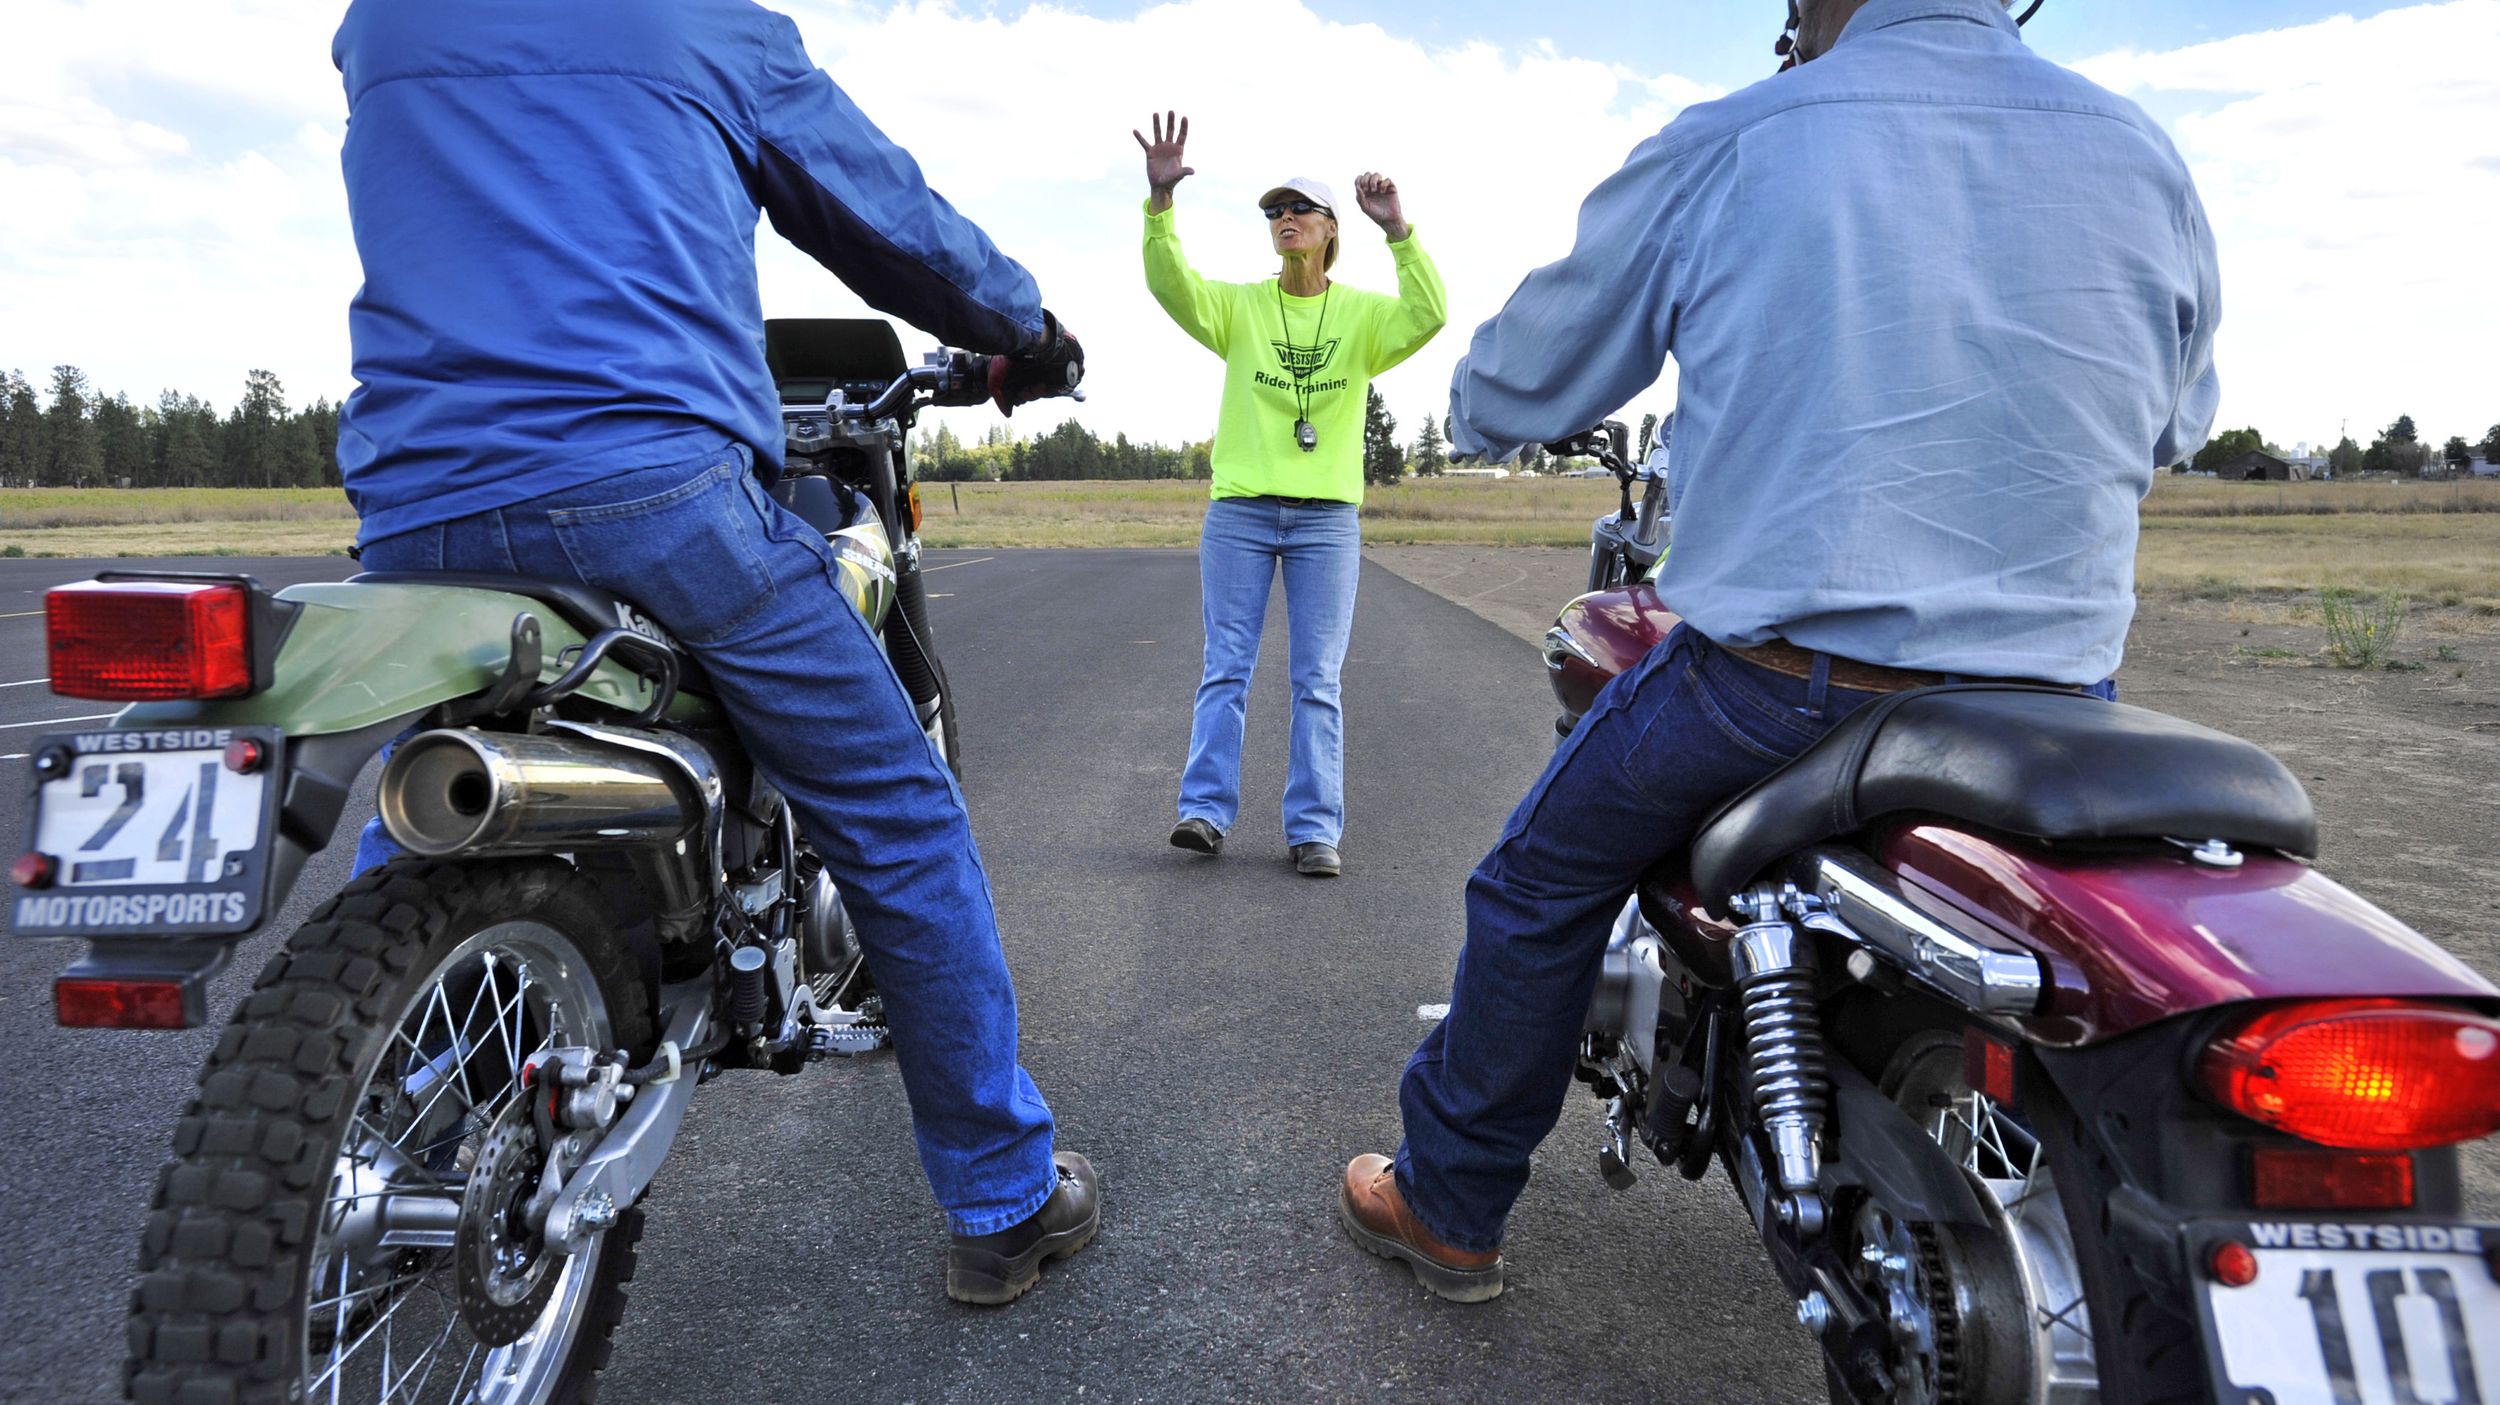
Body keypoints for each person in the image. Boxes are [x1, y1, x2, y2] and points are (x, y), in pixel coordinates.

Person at [1337, 0, 2216, 1302]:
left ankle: (1451, 1202)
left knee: (1536, 886)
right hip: (2054, 704)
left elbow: (1514, 392)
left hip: (1784, 687)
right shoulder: (2143, 155)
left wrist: (1482, 399)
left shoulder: (1741, 138)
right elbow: (2175, 426)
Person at [331, 0, 1096, 1305]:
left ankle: (373, 1103)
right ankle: (1002, 1193)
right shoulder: (704, 26)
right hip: (647, 490)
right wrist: (1025, 330)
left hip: (422, 506)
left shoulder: (383, 22)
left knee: (423, 807)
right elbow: (882, 213)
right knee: (900, 813)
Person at [1135, 112, 1447, 878]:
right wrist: (1161, 207)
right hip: (1240, 512)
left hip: (1327, 522)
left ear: (1331, 228)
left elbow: (1430, 312)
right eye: (1274, 212)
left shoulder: (1364, 317)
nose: (1283, 221)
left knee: (1317, 679)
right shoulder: (1241, 307)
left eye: (1298, 209)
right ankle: (1205, 813)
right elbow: (1171, 286)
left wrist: (1399, 231)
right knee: (1226, 667)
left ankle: (1314, 829)